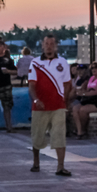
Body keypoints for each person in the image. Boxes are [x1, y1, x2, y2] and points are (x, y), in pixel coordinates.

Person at [29, 35, 72, 177]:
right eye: (46, 43)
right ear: (42, 45)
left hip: (58, 106)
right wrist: (36, 100)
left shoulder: (63, 62)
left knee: (59, 135)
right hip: (40, 107)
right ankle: (36, 162)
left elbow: (67, 84)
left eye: (51, 43)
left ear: (56, 46)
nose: (49, 46)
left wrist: (64, 100)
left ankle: (60, 166)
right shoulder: (35, 63)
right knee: (37, 136)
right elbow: (32, 86)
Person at [72, 62, 97, 139]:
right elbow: (88, 90)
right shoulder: (91, 78)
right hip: (91, 100)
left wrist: (83, 94)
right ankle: (79, 131)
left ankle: (84, 130)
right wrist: (83, 91)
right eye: (92, 68)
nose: (94, 69)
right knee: (75, 108)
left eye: (96, 68)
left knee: (83, 110)